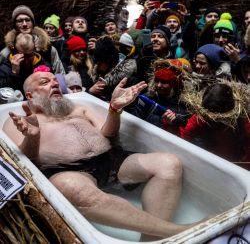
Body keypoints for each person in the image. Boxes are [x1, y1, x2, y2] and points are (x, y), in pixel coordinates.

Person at [3, 71, 200, 241]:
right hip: (68, 171)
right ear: (30, 94)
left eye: (55, 80)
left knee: (169, 164)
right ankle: (177, 231)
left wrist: (114, 110)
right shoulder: (18, 121)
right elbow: (26, 162)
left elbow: (108, 134)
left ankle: (150, 240)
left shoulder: (78, 107)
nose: (54, 83)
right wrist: (33, 137)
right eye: (45, 82)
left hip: (112, 159)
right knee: (69, 187)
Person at [180, 82, 250, 169]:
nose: (213, 118)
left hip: (234, 164)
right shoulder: (203, 116)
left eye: (216, 117)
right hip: (210, 160)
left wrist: (240, 165)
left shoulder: (243, 121)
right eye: (210, 115)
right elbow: (186, 133)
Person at [0, 5, 65, 75]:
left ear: (32, 23)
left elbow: (60, 74)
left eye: (27, 20)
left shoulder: (47, 49)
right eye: (20, 21)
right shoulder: (7, 51)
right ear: (14, 25)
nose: (24, 24)